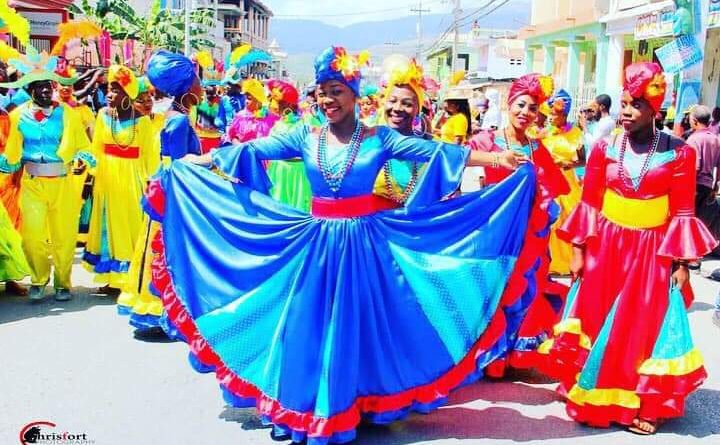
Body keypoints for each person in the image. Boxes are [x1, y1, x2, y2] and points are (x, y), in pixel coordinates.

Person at [146, 45, 537, 444]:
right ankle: (300, 406)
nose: (327, 100)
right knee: (306, 326)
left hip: (366, 247)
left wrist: (497, 161)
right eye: (322, 92)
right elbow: (253, 150)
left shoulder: (380, 138)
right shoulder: (305, 135)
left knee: (363, 326)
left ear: (354, 94)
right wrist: (203, 162)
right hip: (316, 245)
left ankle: (356, 401)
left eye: (336, 91)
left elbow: (438, 151)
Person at [537, 62, 715, 435]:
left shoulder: (681, 153)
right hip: (605, 244)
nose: (627, 111)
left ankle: (642, 401)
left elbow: (683, 212)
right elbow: (589, 203)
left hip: (651, 250)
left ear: (655, 109)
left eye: (637, 104)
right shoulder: (604, 148)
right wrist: (579, 250)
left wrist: (681, 263)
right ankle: (591, 388)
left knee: (640, 325)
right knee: (596, 315)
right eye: (624, 103)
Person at [469, 73, 571, 375]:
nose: (525, 112)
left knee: (525, 289)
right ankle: (488, 356)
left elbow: (552, 189)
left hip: (529, 235)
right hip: (494, 233)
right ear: (508, 103)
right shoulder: (485, 141)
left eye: (532, 108)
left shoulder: (537, 149)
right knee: (492, 290)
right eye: (521, 105)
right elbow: (471, 185)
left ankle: (513, 354)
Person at [116, 50, 203, 338]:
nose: (201, 86)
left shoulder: (176, 115)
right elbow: (178, 165)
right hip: (175, 193)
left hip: (167, 189)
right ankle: (166, 311)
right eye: (197, 80)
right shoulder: (178, 120)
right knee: (170, 249)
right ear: (187, 86)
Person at [0, 47, 92, 301]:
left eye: (48, 86)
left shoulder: (68, 113)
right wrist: (6, 165)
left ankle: (63, 283)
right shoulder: (18, 116)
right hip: (32, 183)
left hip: (62, 182)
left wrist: (83, 158)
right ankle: (39, 278)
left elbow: (82, 145)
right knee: (32, 237)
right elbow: (12, 154)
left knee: (64, 237)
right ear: (30, 90)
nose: (45, 91)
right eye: (39, 87)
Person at [82, 66, 158, 291]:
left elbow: (150, 157)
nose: (109, 94)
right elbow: (96, 150)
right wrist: (89, 173)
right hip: (107, 180)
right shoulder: (103, 115)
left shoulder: (142, 122)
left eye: (115, 90)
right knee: (108, 225)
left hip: (132, 180)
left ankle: (130, 278)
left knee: (130, 226)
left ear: (128, 93)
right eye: (108, 89)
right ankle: (112, 278)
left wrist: (151, 185)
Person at [373, 57, 430, 204]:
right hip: (372, 218)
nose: (397, 108)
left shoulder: (429, 148)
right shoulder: (367, 143)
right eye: (392, 101)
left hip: (416, 218)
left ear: (418, 109)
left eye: (407, 104)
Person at [542, 89, 584, 275]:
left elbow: (583, 160)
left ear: (564, 115)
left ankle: (568, 261)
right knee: (551, 219)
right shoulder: (544, 133)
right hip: (548, 181)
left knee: (569, 219)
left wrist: (568, 164)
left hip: (569, 183)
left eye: (555, 114)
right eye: (550, 114)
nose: (551, 117)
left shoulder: (576, 133)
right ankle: (550, 261)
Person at [265, 79, 312, 212]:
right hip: (278, 170)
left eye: (275, 100)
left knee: (298, 208)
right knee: (277, 206)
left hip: (298, 172)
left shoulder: (304, 123)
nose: (272, 103)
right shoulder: (277, 124)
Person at [686, 105, 720, 268]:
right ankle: (696, 253)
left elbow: (694, 166)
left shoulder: (694, 139)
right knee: (700, 220)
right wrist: (715, 185)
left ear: (694, 120)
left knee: (690, 220)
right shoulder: (715, 139)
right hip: (708, 185)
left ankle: (691, 256)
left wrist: (689, 188)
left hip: (695, 184)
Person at [226, 78, 278, 144]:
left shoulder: (270, 117)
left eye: (249, 98)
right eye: (246, 98)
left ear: (258, 100)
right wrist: (240, 146)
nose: (246, 101)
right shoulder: (240, 116)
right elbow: (232, 136)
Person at [215, 68, 246, 134]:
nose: (226, 86)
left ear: (236, 86)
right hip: (228, 134)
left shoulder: (244, 98)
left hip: (241, 133)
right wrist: (221, 132)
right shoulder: (224, 99)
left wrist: (239, 109)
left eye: (230, 83)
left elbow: (248, 119)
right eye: (226, 83)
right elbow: (221, 119)